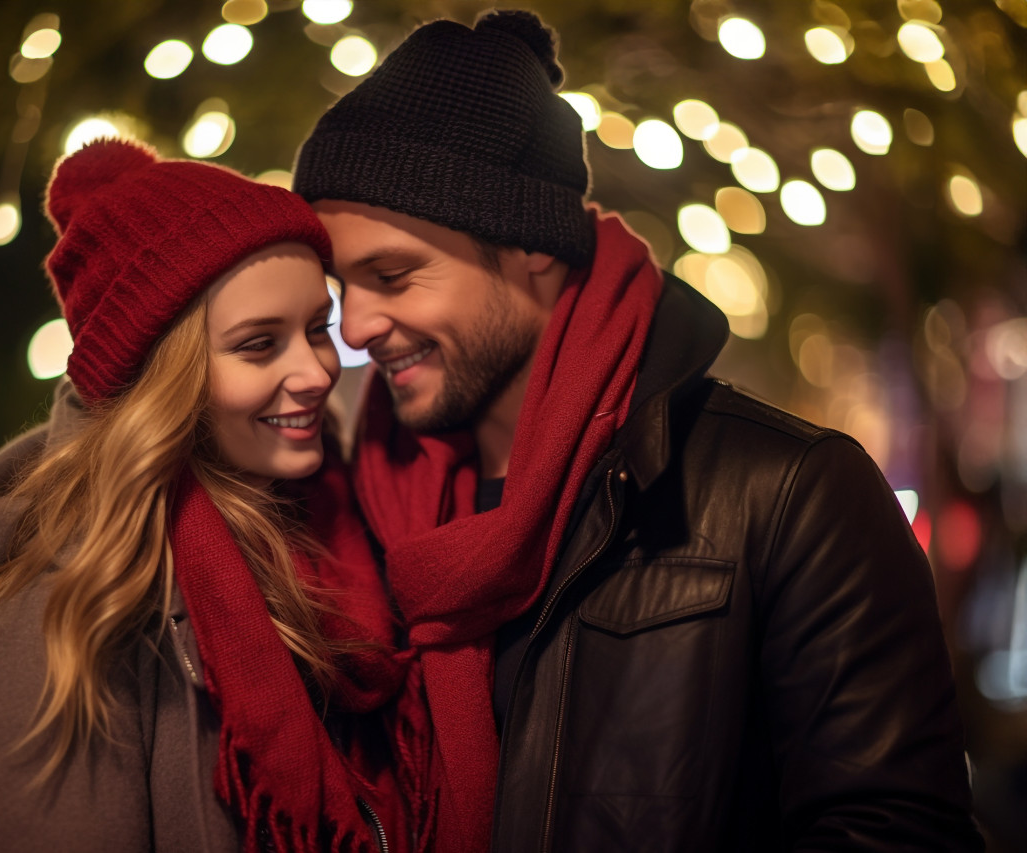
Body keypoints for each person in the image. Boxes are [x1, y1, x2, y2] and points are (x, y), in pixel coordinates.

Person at [292, 9, 984, 852]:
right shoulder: (357, 503)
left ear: (530, 248)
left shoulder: (792, 493)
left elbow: (896, 833)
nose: (355, 325)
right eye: (342, 283)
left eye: (392, 276)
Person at [0, 138, 434, 853]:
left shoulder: (336, 528)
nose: (315, 371)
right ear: (162, 376)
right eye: (259, 344)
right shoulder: (67, 609)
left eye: (317, 329)